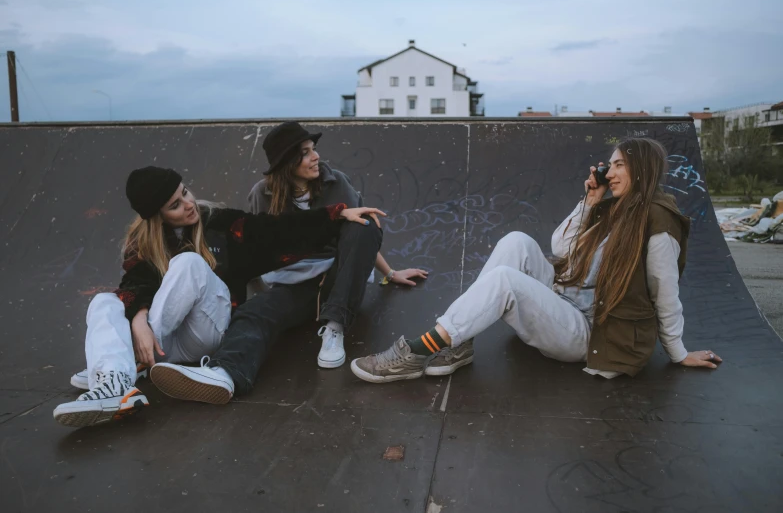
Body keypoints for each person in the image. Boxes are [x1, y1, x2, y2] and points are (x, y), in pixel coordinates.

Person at [350, 137, 723, 383]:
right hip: (564, 299)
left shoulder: (659, 221)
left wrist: (678, 353)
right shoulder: (612, 209)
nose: (609, 172)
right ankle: (458, 343)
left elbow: (665, 292)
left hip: (590, 332)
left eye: (619, 165)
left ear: (643, 168)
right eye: (609, 165)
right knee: (517, 241)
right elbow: (560, 249)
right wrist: (590, 202)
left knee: (505, 281)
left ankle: (417, 352)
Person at [54, 166, 383, 427]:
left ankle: (126, 363)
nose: (189, 205)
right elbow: (134, 285)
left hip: (209, 328)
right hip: (166, 341)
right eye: (175, 206)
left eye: (185, 193)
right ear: (157, 217)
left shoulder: (222, 225)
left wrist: (336, 214)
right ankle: (114, 384)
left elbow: (275, 228)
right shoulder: (143, 246)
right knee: (104, 301)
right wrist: (139, 314)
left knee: (189, 263)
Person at [149, 122, 428, 405]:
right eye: (305, 153)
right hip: (292, 283)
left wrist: (390, 272)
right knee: (253, 314)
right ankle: (225, 374)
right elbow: (258, 247)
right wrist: (258, 297)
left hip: (337, 274)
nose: (315, 157)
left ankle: (334, 327)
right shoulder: (262, 194)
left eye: (313, 150)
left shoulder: (335, 182)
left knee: (365, 223)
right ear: (287, 162)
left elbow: (360, 241)